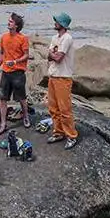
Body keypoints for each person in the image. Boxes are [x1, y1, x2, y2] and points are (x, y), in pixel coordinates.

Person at [46, 12, 78, 150]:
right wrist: (53, 54)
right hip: (53, 76)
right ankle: (58, 132)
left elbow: (58, 58)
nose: (55, 23)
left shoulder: (67, 38)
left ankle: (71, 135)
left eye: (57, 21)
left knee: (65, 109)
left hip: (63, 78)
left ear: (63, 24)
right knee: (53, 107)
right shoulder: (55, 37)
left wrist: (53, 54)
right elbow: (49, 56)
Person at [0, 13, 31, 135]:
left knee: (21, 98)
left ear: (16, 25)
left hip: (18, 72)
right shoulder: (3, 37)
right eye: (9, 21)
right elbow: (1, 53)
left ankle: (26, 116)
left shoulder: (23, 39)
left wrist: (15, 61)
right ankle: (3, 124)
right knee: (2, 99)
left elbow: (26, 55)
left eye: (11, 21)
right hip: (6, 72)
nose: (8, 23)